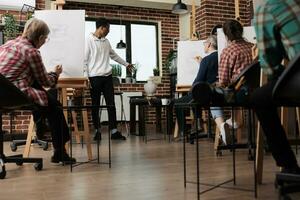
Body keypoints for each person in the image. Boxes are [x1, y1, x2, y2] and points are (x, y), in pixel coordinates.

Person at [0, 18, 75, 164]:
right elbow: (47, 82)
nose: (45, 42)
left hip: (2, 92)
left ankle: (41, 123)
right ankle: (59, 151)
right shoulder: (31, 51)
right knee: (56, 108)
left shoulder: (7, 44)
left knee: (41, 92)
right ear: (40, 38)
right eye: (45, 39)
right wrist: (56, 73)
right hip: (12, 94)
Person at [251, 0, 300, 174]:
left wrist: (279, 72)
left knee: (259, 98)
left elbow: (269, 63)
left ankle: (289, 167)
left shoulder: (268, 8)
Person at [84, 17, 133, 141]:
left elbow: (114, 56)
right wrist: (86, 78)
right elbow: (84, 61)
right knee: (95, 105)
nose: (109, 31)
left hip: (107, 77)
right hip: (94, 78)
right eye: (108, 28)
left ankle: (114, 131)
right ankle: (97, 131)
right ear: (102, 28)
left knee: (111, 104)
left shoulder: (106, 42)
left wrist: (126, 64)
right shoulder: (88, 40)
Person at [175, 35, 221, 144]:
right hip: (215, 94)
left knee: (178, 103)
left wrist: (191, 89)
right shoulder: (220, 56)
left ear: (209, 44)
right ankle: (198, 124)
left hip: (203, 95)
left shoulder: (206, 60)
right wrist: (201, 64)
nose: (204, 45)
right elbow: (212, 75)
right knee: (194, 97)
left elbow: (199, 80)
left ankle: (183, 134)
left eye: (204, 43)